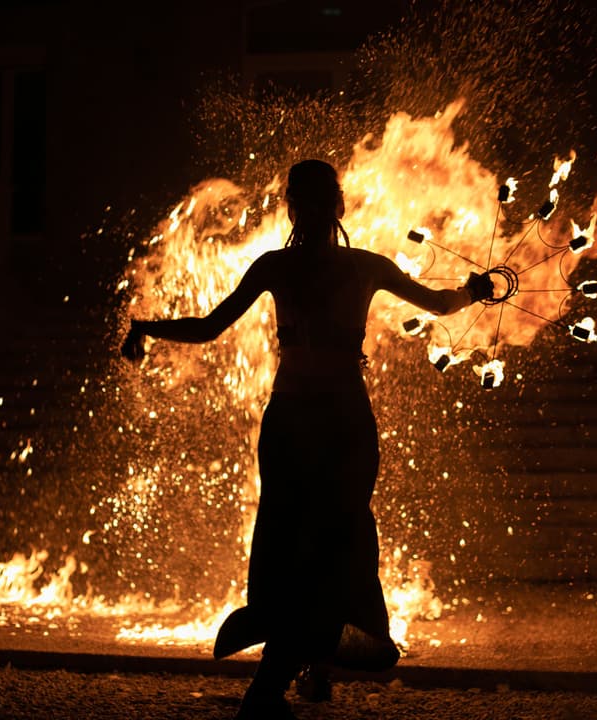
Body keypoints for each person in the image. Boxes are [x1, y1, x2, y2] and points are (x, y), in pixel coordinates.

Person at [121, 159, 494, 719]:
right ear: (337, 206)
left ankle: (302, 673)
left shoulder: (277, 266)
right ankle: (288, 679)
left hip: (294, 422)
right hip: (341, 421)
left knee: (296, 542)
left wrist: (146, 327)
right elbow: (441, 306)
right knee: (336, 542)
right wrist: (476, 289)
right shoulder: (365, 266)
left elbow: (207, 327)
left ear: (292, 208)